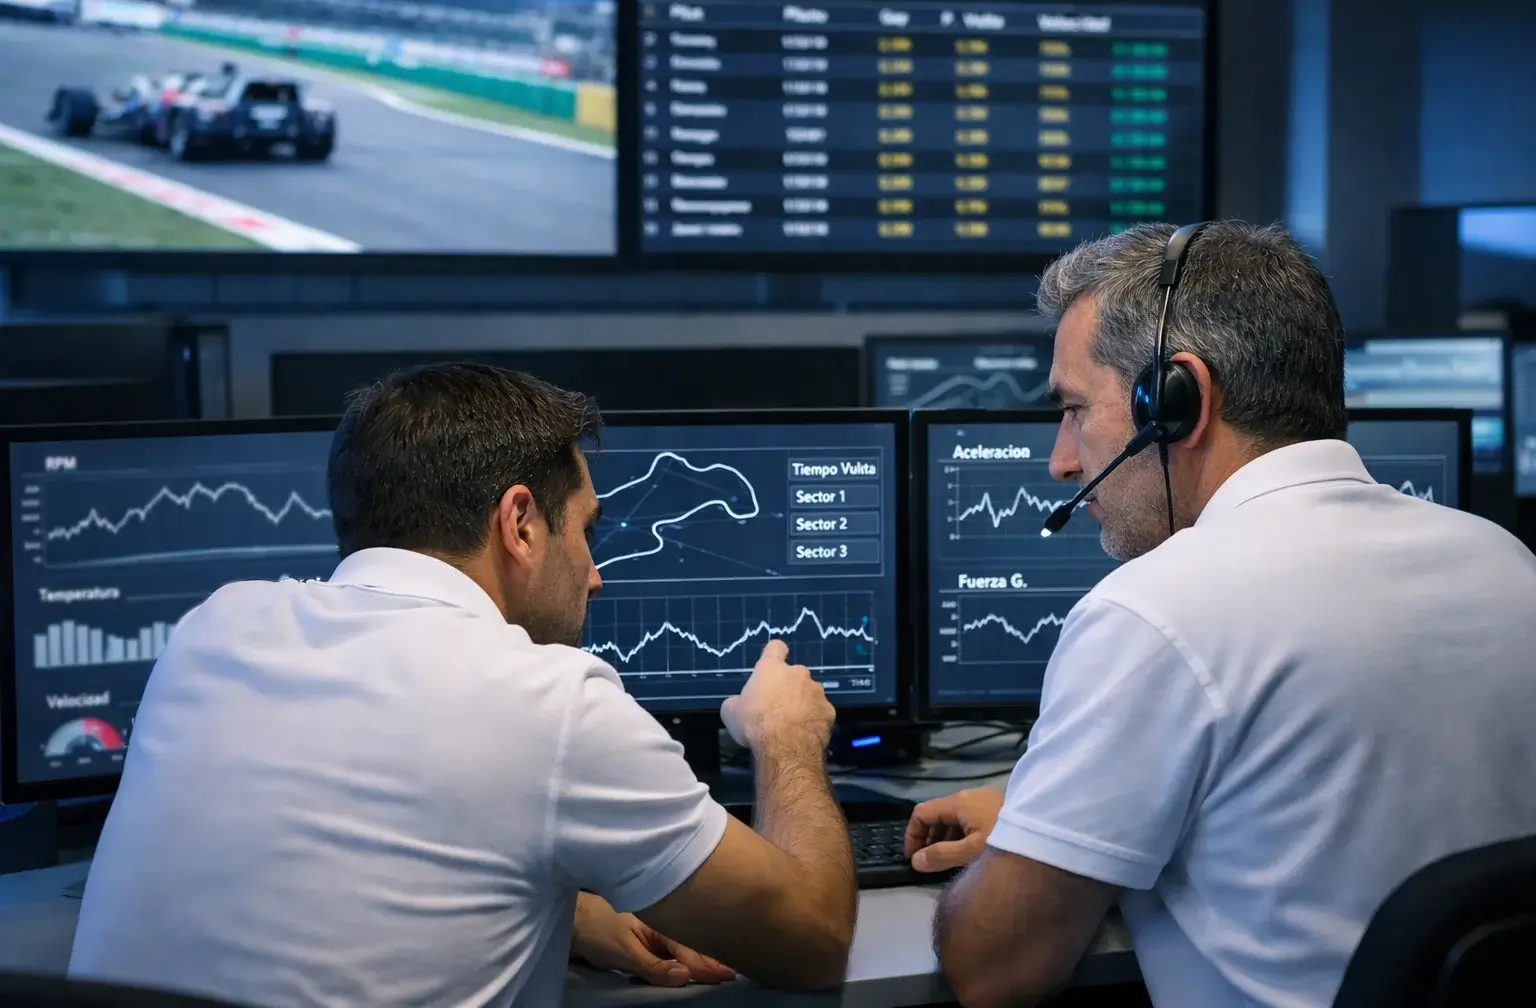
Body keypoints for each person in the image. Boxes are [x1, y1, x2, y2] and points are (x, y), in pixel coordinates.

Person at [69, 363, 857, 1006]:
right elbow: (814, 942)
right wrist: (786, 741)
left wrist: (568, 906)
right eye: (585, 529)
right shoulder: (551, 702)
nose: (595, 574)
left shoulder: (213, 630)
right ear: (519, 523)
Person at [903, 220, 1536, 1008]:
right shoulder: (1507, 562)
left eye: (1073, 409)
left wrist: (1016, 857)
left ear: (1178, 401)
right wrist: (1046, 827)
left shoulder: (1157, 611)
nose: (1061, 460)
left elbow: (993, 971)